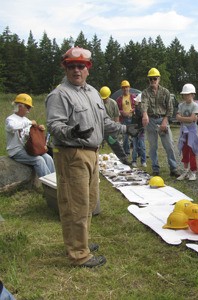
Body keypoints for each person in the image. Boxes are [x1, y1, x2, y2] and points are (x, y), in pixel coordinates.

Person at [45, 46, 138, 268]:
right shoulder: (59, 95)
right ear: (65, 68)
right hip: (72, 154)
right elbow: (54, 125)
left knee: (88, 202)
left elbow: (103, 122)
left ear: (88, 68)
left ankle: (81, 241)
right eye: (72, 66)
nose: (77, 70)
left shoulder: (93, 93)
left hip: (93, 153)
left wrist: (126, 130)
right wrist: (71, 131)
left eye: (81, 66)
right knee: (75, 204)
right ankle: (78, 254)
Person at [141, 67, 180, 177]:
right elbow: (144, 104)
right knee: (153, 146)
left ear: (159, 79)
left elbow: (170, 108)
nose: (153, 81)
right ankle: (155, 168)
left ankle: (173, 168)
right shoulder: (145, 93)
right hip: (151, 120)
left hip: (163, 119)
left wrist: (165, 121)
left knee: (169, 145)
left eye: (155, 78)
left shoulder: (165, 92)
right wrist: (145, 115)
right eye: (151, 79)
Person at [5, 93, 55, 178]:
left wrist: (39, 128)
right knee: (39, 160)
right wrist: (29, 122)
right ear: (20, 106)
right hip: (16, 151)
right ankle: (49, 185)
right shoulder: (10, 119)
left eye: (30, 108)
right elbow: (13, 127)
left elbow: (30, 135)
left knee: (48, 158)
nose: (29, 110)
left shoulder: (25, 119)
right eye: (27, 107)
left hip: (28, 149)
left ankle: (55, 181)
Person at [99, 86, 130, 165]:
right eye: (103, 98)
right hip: (100, 128)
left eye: (105, 98)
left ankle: (123, 159)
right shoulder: (98, 104)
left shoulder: (113, 103)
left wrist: (116, 129)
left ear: (108, 96)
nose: (104, 99)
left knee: (115, 143)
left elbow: (116, 117)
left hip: (110, 128)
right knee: (95, 144)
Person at [176, 84, 198, 181]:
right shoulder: (181, 105)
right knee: (184, 150)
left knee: (193, 150)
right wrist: (187, 119)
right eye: (185, 94)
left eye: (188, 94)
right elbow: (179, 117)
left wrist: (182, 119)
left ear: (192, 95)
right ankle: (186, 170)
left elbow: (192, 119)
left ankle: (193, 171)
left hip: (192, 131)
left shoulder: (195, 105)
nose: (186, 96)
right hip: (184, 131)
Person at [116, 80, 136, 156]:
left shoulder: (133, 97)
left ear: (129, 87)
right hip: (124, 119)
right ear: (122, 89)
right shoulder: (119, 99)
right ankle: (126, 153)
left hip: (132, 118)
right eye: (124, 87)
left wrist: (133, 110)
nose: (125, 89)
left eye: (126, 87)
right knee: (125, 138)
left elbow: (137, 106)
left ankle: (136, 152)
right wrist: (122, 112)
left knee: (134, 136)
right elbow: (116, 109)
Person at [131, 94, 146, 168]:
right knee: (135, 147)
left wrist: (136, 107)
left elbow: (140, 116)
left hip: (141, 130)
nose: (135, 102)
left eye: (136, 101)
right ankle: (134, 161)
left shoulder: (142, 111)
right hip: (135, 130)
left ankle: (143, 161)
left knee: (142, 146)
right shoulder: (135, 110)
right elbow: (133, 120)